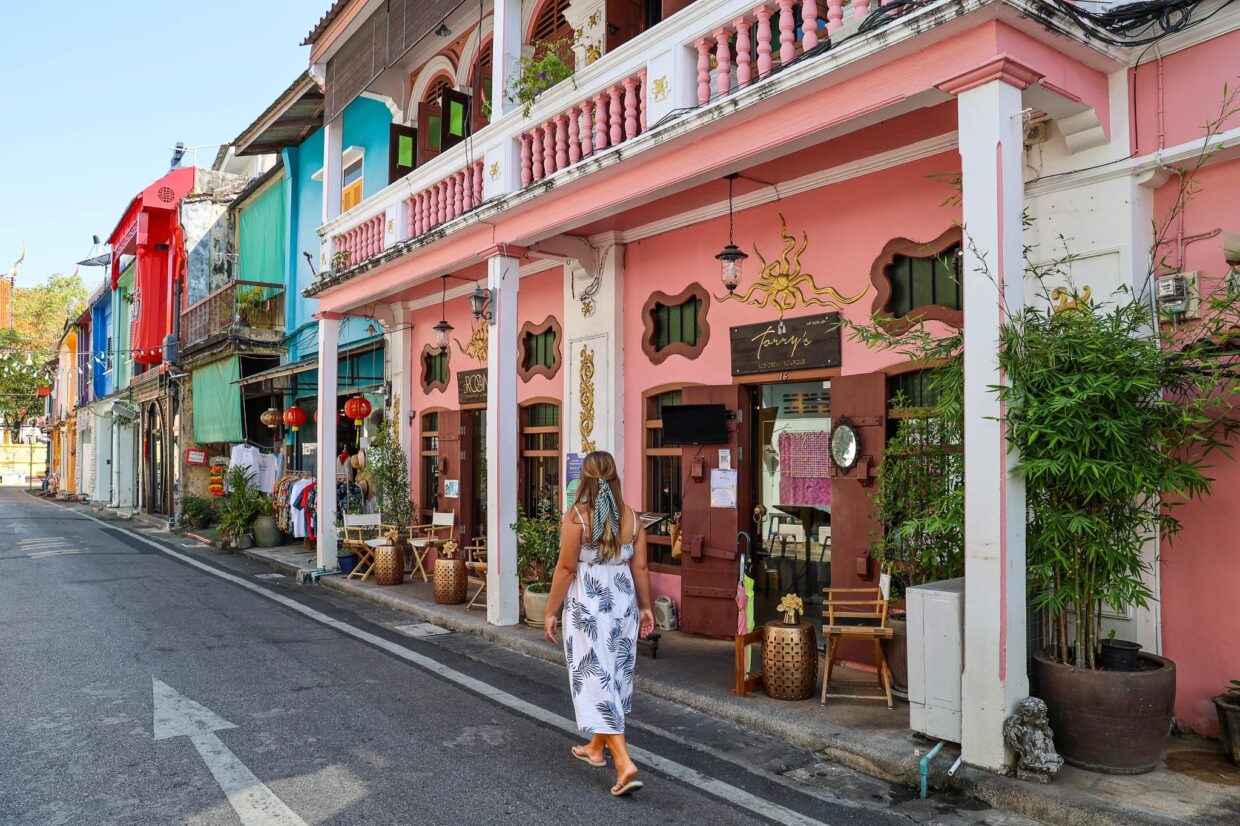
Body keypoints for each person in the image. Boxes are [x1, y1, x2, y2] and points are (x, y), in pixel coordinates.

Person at [544, 450, 654, 797]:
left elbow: (565, 569)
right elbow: (641, 569)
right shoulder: (633, 519)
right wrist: (647, 608)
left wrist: (549, 610)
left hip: (589, 607)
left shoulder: (578, 517)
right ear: (615, 478)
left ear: (585, 480)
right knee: (614, 676)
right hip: (622, 605)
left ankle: (623, 762)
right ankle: (596, 748)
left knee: (595, 677)